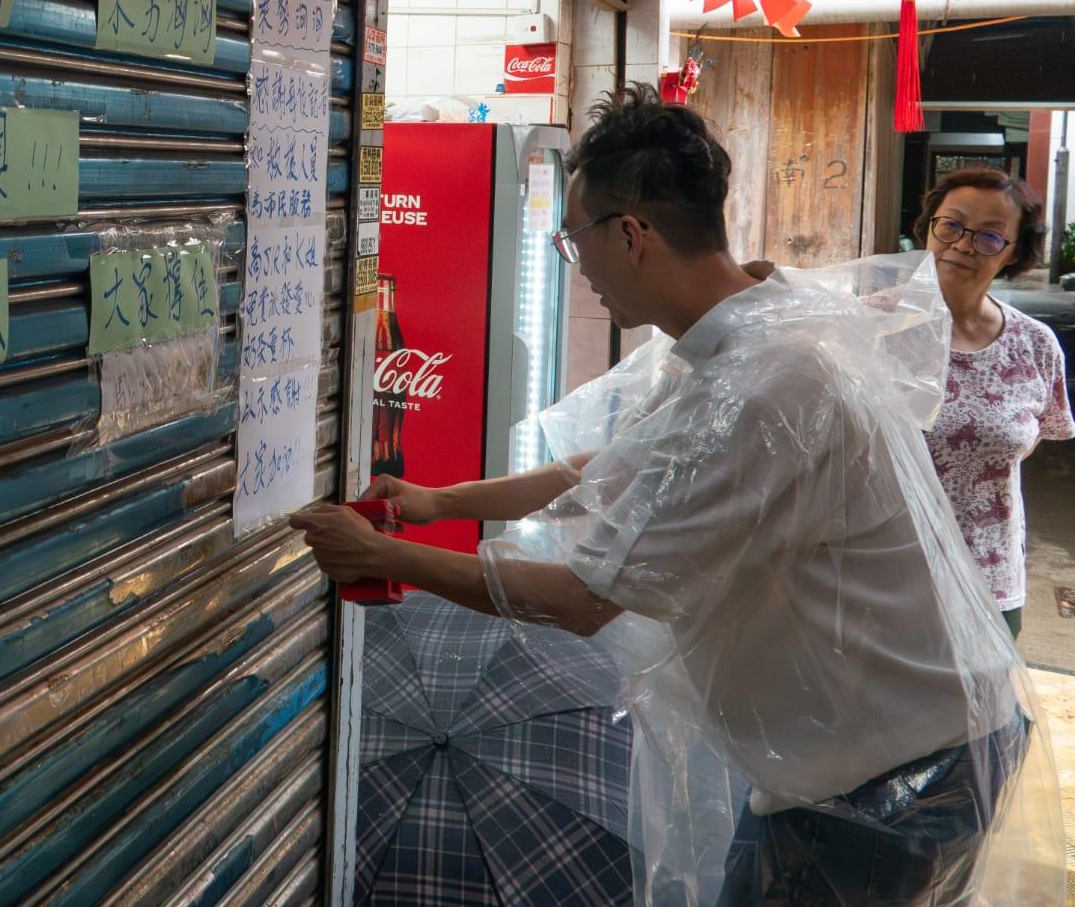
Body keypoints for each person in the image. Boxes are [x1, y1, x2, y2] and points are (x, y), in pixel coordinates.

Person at [292, 86, 1060, 906]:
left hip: (890, 777)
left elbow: (585, 598)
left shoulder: (768, 379)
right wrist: (437, 503)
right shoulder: (759, 327)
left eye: (573, 240)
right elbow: (620, 462)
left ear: (630, 234)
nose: (577, 268)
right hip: (874, 756)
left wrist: (378, 554)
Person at [914, 167, 1073, 640]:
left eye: (989, 236)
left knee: (987, 711)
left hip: (990, 578)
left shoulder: (1035, 344)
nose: (963, 244)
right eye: (952, 225)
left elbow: (1032, 437)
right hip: (882, 577)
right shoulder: (870, 329)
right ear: (928, 228)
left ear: (1012, 255)